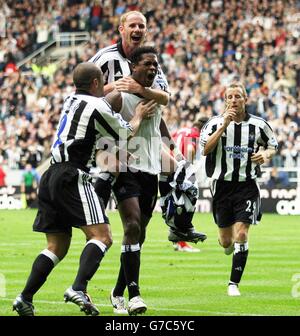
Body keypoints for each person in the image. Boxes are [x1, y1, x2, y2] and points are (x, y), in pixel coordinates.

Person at [12, 62, 156, 316]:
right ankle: (78, 287)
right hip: (72, 174)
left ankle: (24, 297)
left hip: (50, 175)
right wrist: (138, 116)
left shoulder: (70, 100)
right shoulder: (98, 105)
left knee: (57, 246)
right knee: (102, 236)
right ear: (96, 83)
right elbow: (124, 133)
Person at [89, 10, 203, 245]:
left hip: (141, 134)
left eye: (142, 26)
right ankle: (92, 205)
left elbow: (161, 103)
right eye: (133, 25)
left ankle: (179, 227)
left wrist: (171, 145)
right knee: (115, 163)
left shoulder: (151, 63)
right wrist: (113, 87)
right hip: (111, 135)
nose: (138, 30)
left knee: (180, 171)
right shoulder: (104, 58)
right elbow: (82, 91)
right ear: (122, 29)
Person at [200, 82, 277, 296]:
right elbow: (205, 150)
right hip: (221, 186)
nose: (234, 100)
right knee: (226, 240)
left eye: (238, 96)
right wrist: (224, 126)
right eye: (230, 97)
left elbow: (273, 145)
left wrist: (266, 155)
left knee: (241, 233)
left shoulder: (259, 125)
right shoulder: (214, 123)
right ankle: (228, 246)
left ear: (245, 100)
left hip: (247, 185)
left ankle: (233, 283)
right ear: (225, 101)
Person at [171, 117, 208, 252]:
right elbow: (190, 149)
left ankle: (177, 240)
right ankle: (182, 243)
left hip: (167, 167)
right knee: (186, 205)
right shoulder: (195, 134)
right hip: (182, 170)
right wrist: (188, 167)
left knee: (176, 205)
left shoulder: (180, 130)